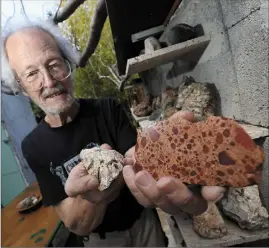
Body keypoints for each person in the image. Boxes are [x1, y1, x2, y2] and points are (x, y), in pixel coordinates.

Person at [1, 18, 225, 247]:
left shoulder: (107, 108)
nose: (48, 82)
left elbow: (137, 158)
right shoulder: (33, 146)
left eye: (54, 64)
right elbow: (76, 223)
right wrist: (100, 189)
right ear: (21, 88)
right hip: (102, 241)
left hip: (145, 225)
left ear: (68, 64)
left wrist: (169, 160)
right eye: (31, 74)